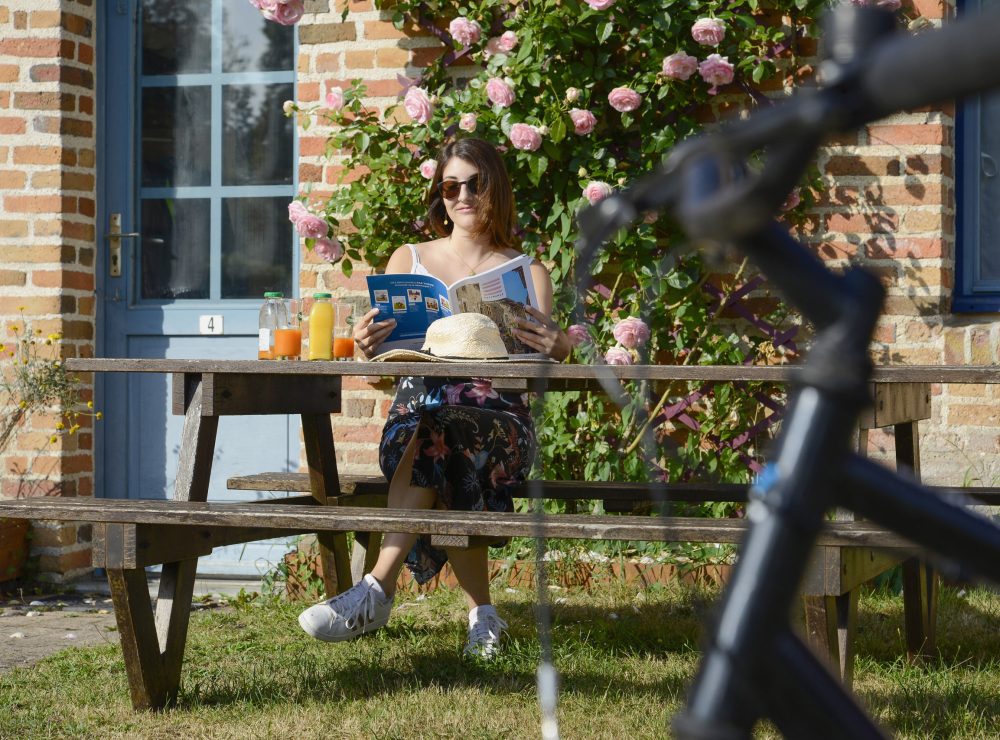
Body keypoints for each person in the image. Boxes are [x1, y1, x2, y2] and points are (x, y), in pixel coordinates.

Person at [298, 137, 572, 658]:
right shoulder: (410, 258)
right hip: (417, 419)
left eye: (475, 183)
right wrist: (364, 348)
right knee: (437, 427)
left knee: (445, 430)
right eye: (451, 186)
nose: (462, 196)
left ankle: (377, 588)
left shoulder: (527, 272)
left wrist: (557, 350)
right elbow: (380, 377)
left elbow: (535, 381)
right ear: (440, 194)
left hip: (499, 423)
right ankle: (482, 616)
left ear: (496, 187)